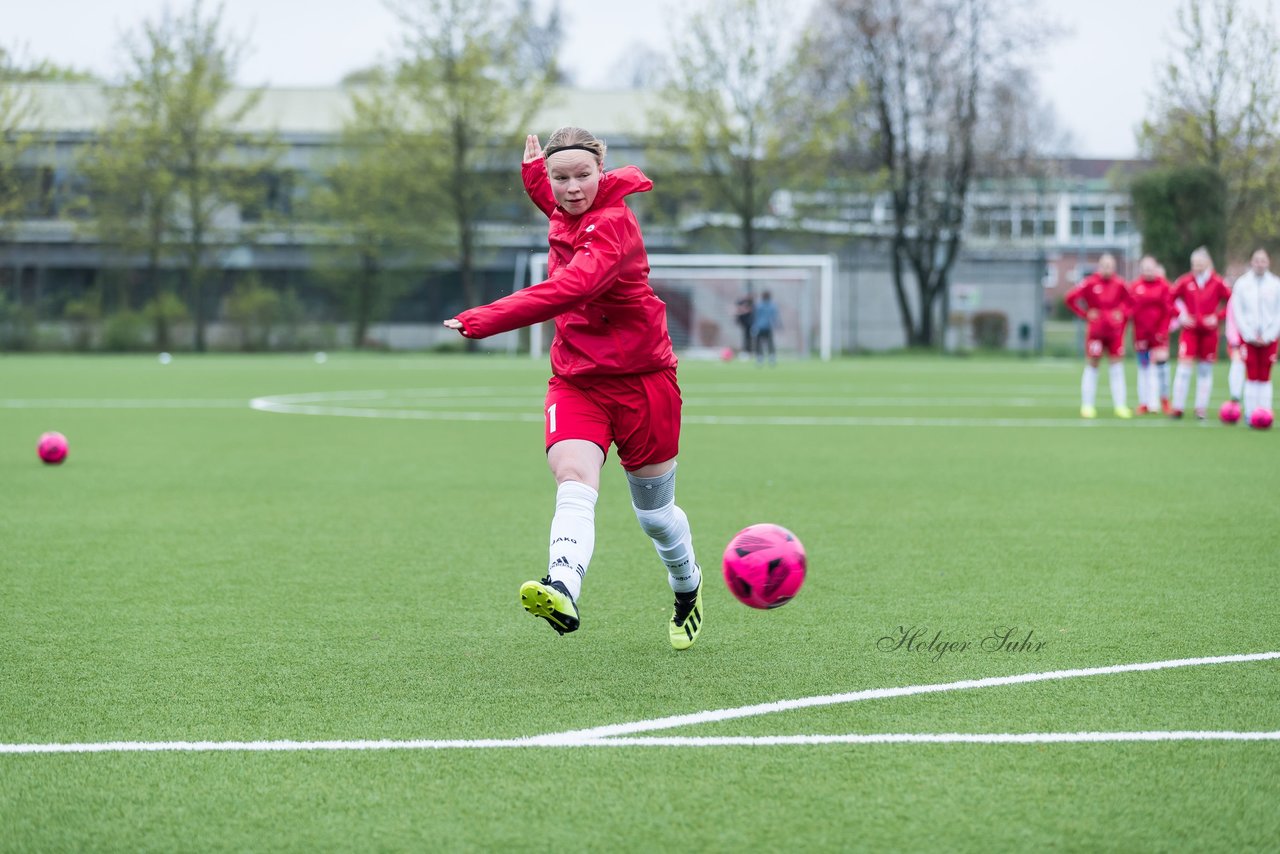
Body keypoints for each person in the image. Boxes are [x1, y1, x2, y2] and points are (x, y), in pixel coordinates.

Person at [443, 127, 704, 650]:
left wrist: (483, 319)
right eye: (561, 178)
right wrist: (533, 172)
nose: (571, 187)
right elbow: (551, 196)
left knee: (655, 518)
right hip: (577, 382)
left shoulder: (610, 227)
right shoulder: (565, 205)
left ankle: (687, 585)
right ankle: (561, 583)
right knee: (573, 478)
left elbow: (570, 288)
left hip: (643, 382)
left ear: (601, 172)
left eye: (582, 175)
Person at [1064, 253, 1133, 419]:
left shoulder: (1120, 283)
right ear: (1099, 267)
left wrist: (1121, 313)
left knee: (1116, 368)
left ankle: (1120, 406)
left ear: (1114, 267)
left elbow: (1132, 303)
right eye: (1104, 265)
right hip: (1096, 334)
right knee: (1092, 367)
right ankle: (1087, 406)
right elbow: (1070, 298)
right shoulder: (1090, 282)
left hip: (1115, 334)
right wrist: (1085, 313)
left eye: (1110, 265)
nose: (1106, 268)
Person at [1169, 247, 1231, 420]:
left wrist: (1217, 317)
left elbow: (1231, 302)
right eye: (1194, 264)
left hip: (1209, 333)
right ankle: (1178, 407)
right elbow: (1168, 299)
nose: (1197, 267)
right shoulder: (1185, 281)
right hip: (1190, 332)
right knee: (1183, 369)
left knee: (1205, 370)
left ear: (1208, 263)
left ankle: (1200, 408)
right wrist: (1180, 315)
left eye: (1200, 264)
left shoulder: (1217, 282)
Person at [1229, 249, 1280, 425]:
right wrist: (1249, 334)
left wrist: (1269, 334)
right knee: (1251, 373)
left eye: (1263, 260)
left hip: (1269, 338)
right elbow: (1238, 312)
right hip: (1248, 337)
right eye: (1257, 260)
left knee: (1265, 375)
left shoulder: (1275, 284)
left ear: (1268, 262)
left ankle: (1264, 412)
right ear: (1252, 262)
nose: (1260, 263)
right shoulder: (1242, 284)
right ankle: (1251, 413)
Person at [1128, 255, 1175, 415]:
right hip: (1141, 335)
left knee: (1162, 369)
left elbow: (1168, 310)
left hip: (1159, 335)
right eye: (1145, 268)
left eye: (1150, 268)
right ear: (1141, 270)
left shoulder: (1164, 286)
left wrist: (1162, 331)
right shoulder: (1135, 286)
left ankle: (1164, 401)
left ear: (1155, 268)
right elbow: (1131, 310)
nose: (1148, 271)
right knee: (1144, 369)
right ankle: (1145, 403)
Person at [751, 290, 779, 366]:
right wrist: (778, 325)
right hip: (768, 327)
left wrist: (753, 327)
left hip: (759, 327)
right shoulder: (772, 306)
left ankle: (760, 358)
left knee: (759, 343)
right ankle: (771, 357)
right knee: (770, 343)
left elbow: (755, 317)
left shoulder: (758, 305)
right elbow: (774, 317)